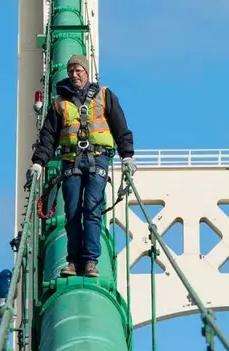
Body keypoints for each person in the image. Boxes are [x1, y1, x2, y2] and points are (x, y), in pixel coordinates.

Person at [28, 54, 136, 278]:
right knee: (72, 212)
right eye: (71, 71)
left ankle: (90, 261)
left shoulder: (105, 96)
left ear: (87, 72)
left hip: (98, 159)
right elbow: (48, 137)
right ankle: (74, 261)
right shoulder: (59, 104)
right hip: (71, 161)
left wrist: (127, 157)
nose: (74, 74)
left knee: (92, 209)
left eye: (79, 70)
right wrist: (38, 162)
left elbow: (120, 128)